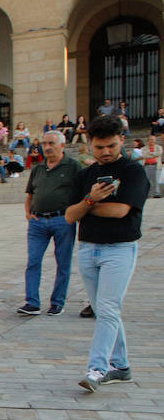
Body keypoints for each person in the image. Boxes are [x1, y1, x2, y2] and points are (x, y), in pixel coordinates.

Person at [66, 114, 149, 392]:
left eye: (111, 146)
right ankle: (121, 366)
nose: (106, 152)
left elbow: (121, 210)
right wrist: (91, 199)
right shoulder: (84, 175)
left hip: (120, 249)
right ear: (90, 144)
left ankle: (97, 369)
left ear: (121, 141)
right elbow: (69, 215)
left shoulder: (132, 171)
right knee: (104, 309)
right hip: (88, 248)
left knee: (108, 308)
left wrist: (86, 206)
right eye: (99, 147)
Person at [18, 131, 80, 317]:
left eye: (51, 143)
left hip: (62, 220)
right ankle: (32, 302)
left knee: (63, 262)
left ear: (62, 145)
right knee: (33, 261)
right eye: (44, 143)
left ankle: (57, 302)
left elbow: (81, 192)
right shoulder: (38, 168)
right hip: (38, 221)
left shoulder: (72, 166)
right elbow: (30, 194)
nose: (47, 147)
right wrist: (28, 213)